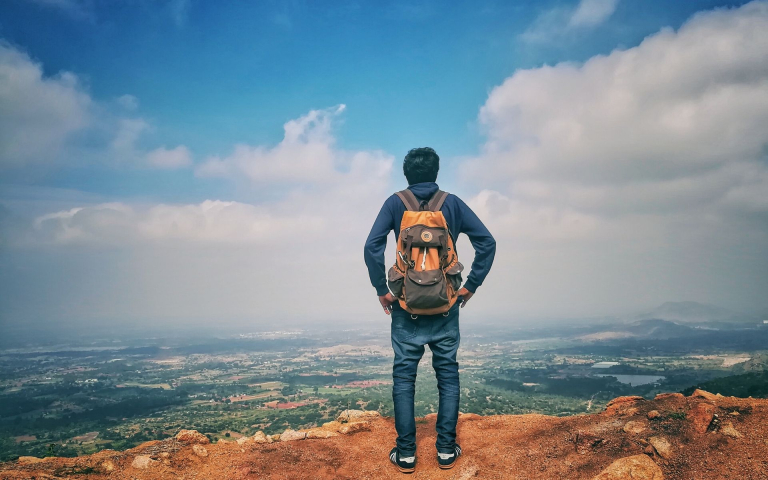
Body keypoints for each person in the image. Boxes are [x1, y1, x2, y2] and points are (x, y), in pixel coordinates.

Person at [364, 147, 496, 473]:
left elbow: (372, 246)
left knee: (404, 379)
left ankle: (406, 454)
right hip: (446, 307)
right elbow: (487, 243)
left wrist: (382, 290)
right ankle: (447, 451)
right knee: (448, 377)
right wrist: (470, 287)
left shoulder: (396, 203)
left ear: (406, 174)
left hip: (406, 308)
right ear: (436, 172)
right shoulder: (451, 203)